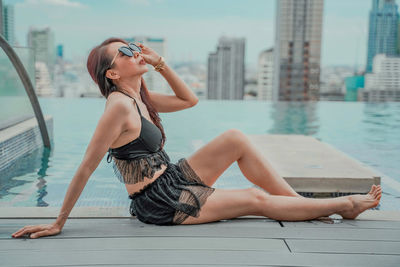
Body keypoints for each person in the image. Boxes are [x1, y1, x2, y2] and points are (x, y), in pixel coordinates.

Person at [11, 37, 382, 239]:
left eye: (133, 45)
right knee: (255, 198)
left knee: (235, 137)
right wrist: (59, 221)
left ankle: (300, 204)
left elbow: (190, 100)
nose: (134, 51)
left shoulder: (139, 97)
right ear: (111, 73)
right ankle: (342, 205)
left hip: (173, 178)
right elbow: (86, 167)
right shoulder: (117, 107)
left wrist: (160, 64)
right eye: (125, 51)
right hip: (159, 203)